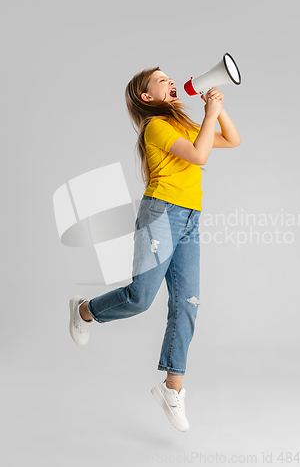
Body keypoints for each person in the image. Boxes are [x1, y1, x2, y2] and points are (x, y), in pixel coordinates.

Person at [69, 66, 241, 432]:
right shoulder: (155, 126)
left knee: (188, 302)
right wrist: (209, 114)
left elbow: (232, 139)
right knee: (140, 298)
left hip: (191, 216)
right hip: (161, 214)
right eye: (162, 80)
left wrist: (217, 104)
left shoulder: (183, 125)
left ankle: (171, 387)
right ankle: (85, 310)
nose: (171, 81)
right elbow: (199, 156)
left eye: (169, 77)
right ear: (147, 97)